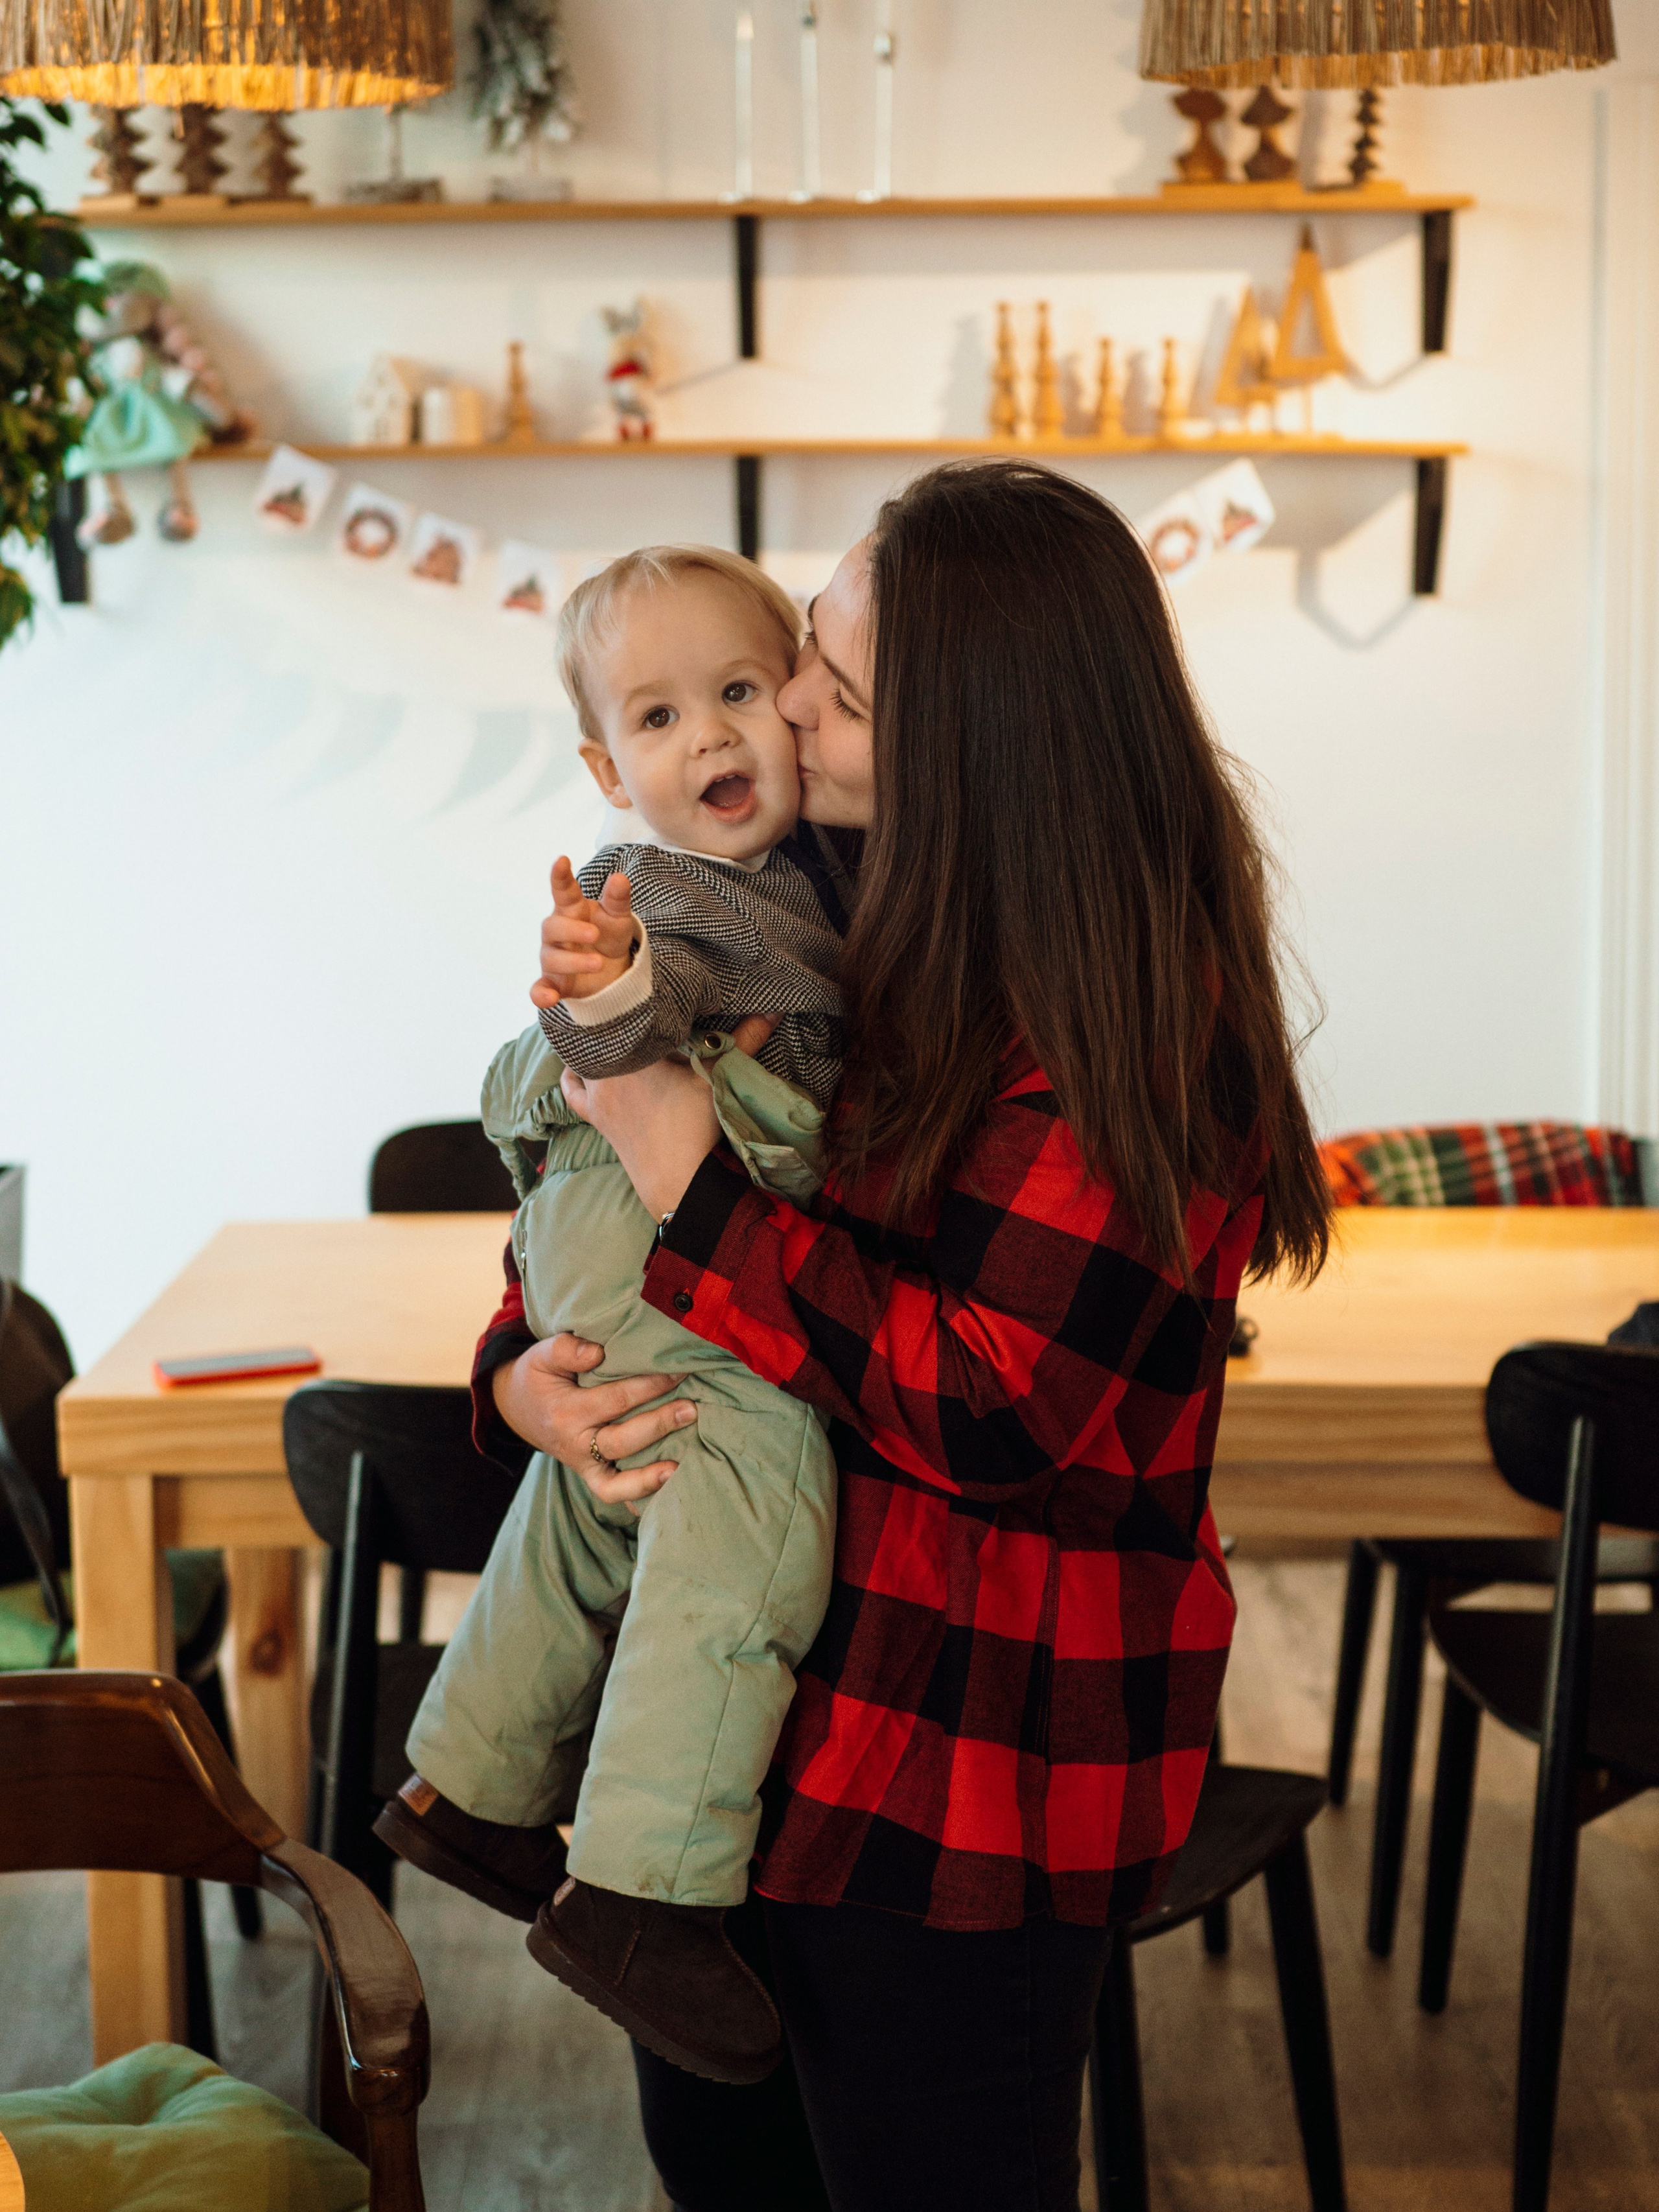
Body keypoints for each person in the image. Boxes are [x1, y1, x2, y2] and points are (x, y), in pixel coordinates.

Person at [478, 460, 1331, 2212]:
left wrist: (686, 1169)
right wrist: (516, 1376)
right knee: (728, 2175)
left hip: (960, 1769)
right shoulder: (802, 898)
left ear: (974, 734)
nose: (782, 701)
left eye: (833, 683)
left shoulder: (1134, 1004)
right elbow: (587, 1200)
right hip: (730, 1746)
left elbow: (994, 1407)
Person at [378, 546, 859, 2086]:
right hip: (657, 1247)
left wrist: (521, 1378)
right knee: (753, 1502)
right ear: (606, 767)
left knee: (597, 1506)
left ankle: (467, 1787)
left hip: (601, 1267)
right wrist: (603, 990)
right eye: (660, 719)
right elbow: (635, 1016)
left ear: (790, 698)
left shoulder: (795, 879)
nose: (711, 739)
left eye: (737, 694)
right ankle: (645, 1897)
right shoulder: (665, 894)